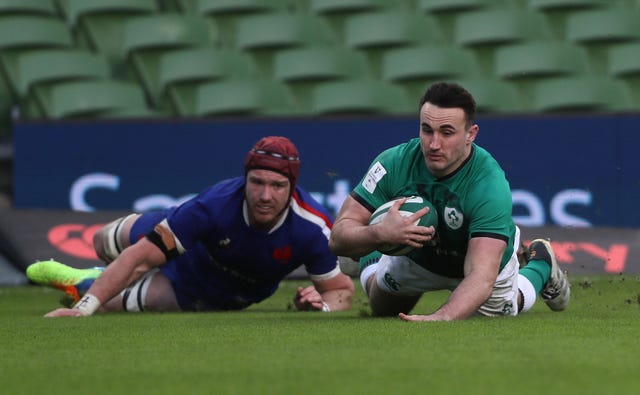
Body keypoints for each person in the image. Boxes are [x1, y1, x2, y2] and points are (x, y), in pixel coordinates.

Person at [28, 136, 355, 317]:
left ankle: (84, 283)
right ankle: (99, 282)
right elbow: (141, 257)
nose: (265, 195)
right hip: (185, 235)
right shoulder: (214, 205)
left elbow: (341, 290)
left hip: (210, 288)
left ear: (292, 186)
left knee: (109, 305)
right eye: (256, 182)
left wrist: (320, 306)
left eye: (277, 186)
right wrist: (83, 314)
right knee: (103, 241)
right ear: (245, 179)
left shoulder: (312, 227)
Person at [328, 82, 570, 321]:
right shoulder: (392, 163)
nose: (434, 144)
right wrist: (379, 234)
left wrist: (442, 316)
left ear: (470, 134)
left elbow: (481, 276)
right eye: (427, 130)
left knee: (499, 312)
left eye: (447, 132)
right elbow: (338, 238)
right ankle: (370, 256)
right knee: (382, 310)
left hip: (476, 262)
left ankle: (541, 265)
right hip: (418, 256)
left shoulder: (489, 184)